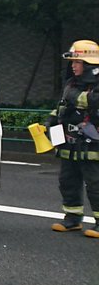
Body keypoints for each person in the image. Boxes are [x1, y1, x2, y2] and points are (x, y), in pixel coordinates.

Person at [48, 39, 99, 238]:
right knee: (67, 180)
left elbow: (91, 101)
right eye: (73, 62)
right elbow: (63, 105)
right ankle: (72, 219)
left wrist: (73, 95)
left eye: (77, 62)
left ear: (89, 64)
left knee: (95, 183)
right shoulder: (71, 84)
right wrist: (51, 120)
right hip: (70, 141)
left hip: (92, 144)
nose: (73, 65)